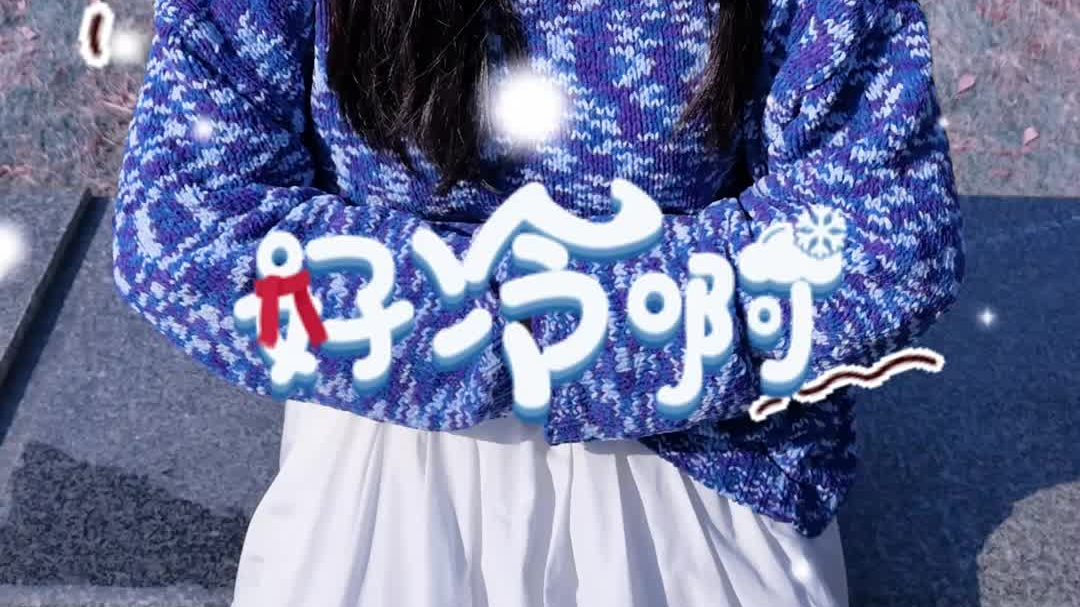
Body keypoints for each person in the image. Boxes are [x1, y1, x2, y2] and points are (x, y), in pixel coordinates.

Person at [112, 0, 965, 605]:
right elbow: (182, 221)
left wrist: (519, 326)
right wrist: (555, 326)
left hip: (704, 472)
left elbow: (889, 227)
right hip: (387, 459)